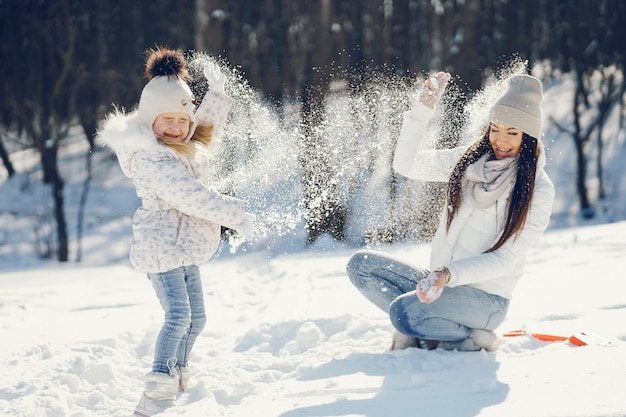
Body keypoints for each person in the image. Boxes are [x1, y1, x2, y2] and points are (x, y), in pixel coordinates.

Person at [346, 71, 555, 352]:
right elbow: (406, 165)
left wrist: (447, 273)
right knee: (362, 266)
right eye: (495, 128)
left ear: (528, 136)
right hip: (442, 282)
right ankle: (431, 325)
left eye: (512, 132)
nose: (500, 141)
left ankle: (471, 336)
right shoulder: (469, 162)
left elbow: (506, 258)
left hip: (486, 299)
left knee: (403, 313)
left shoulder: (538, 190)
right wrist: (423, 110)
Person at [98, 47, 256, 416]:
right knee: (178, 317)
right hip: (163, 248)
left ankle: (178, 376)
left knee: (197, 319)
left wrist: (215, 99)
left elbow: (200, 132)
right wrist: (234, 213)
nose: (175, 126)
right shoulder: (152, 158)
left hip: (181, 247)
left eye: (180, 120)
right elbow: (190, 196)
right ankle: (155, 394)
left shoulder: (177, 145)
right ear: (151, 121)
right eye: (166, 120)